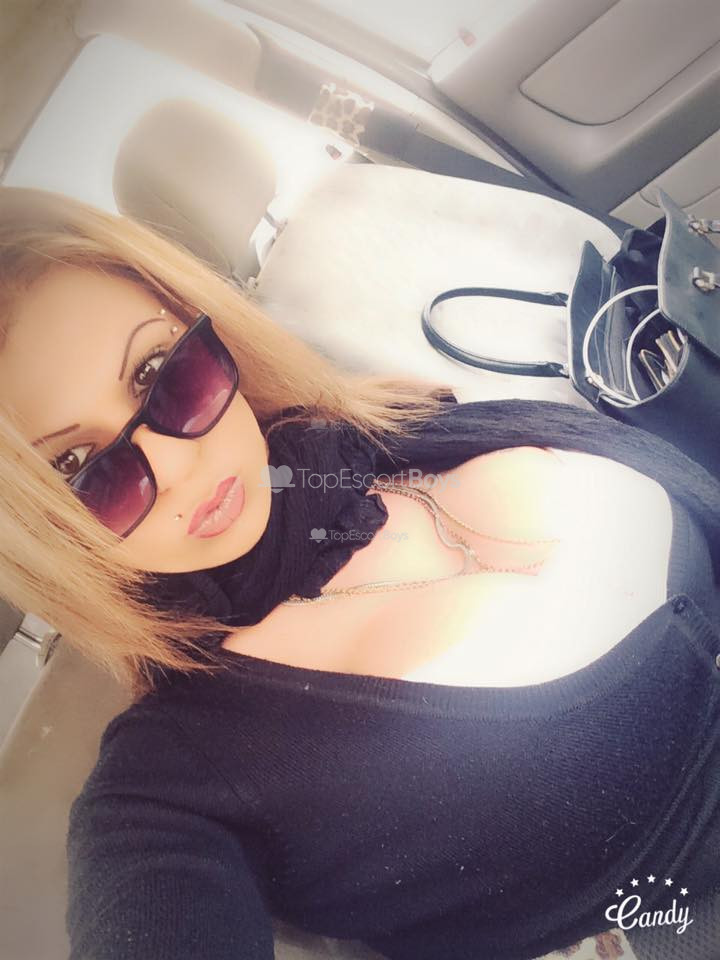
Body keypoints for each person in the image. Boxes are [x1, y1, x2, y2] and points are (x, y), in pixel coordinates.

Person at [1, 185, 719, 960]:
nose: (175, 467)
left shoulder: (380, 428)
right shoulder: (165, 792)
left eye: (157, 371)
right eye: (77, 467)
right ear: (42, 536)